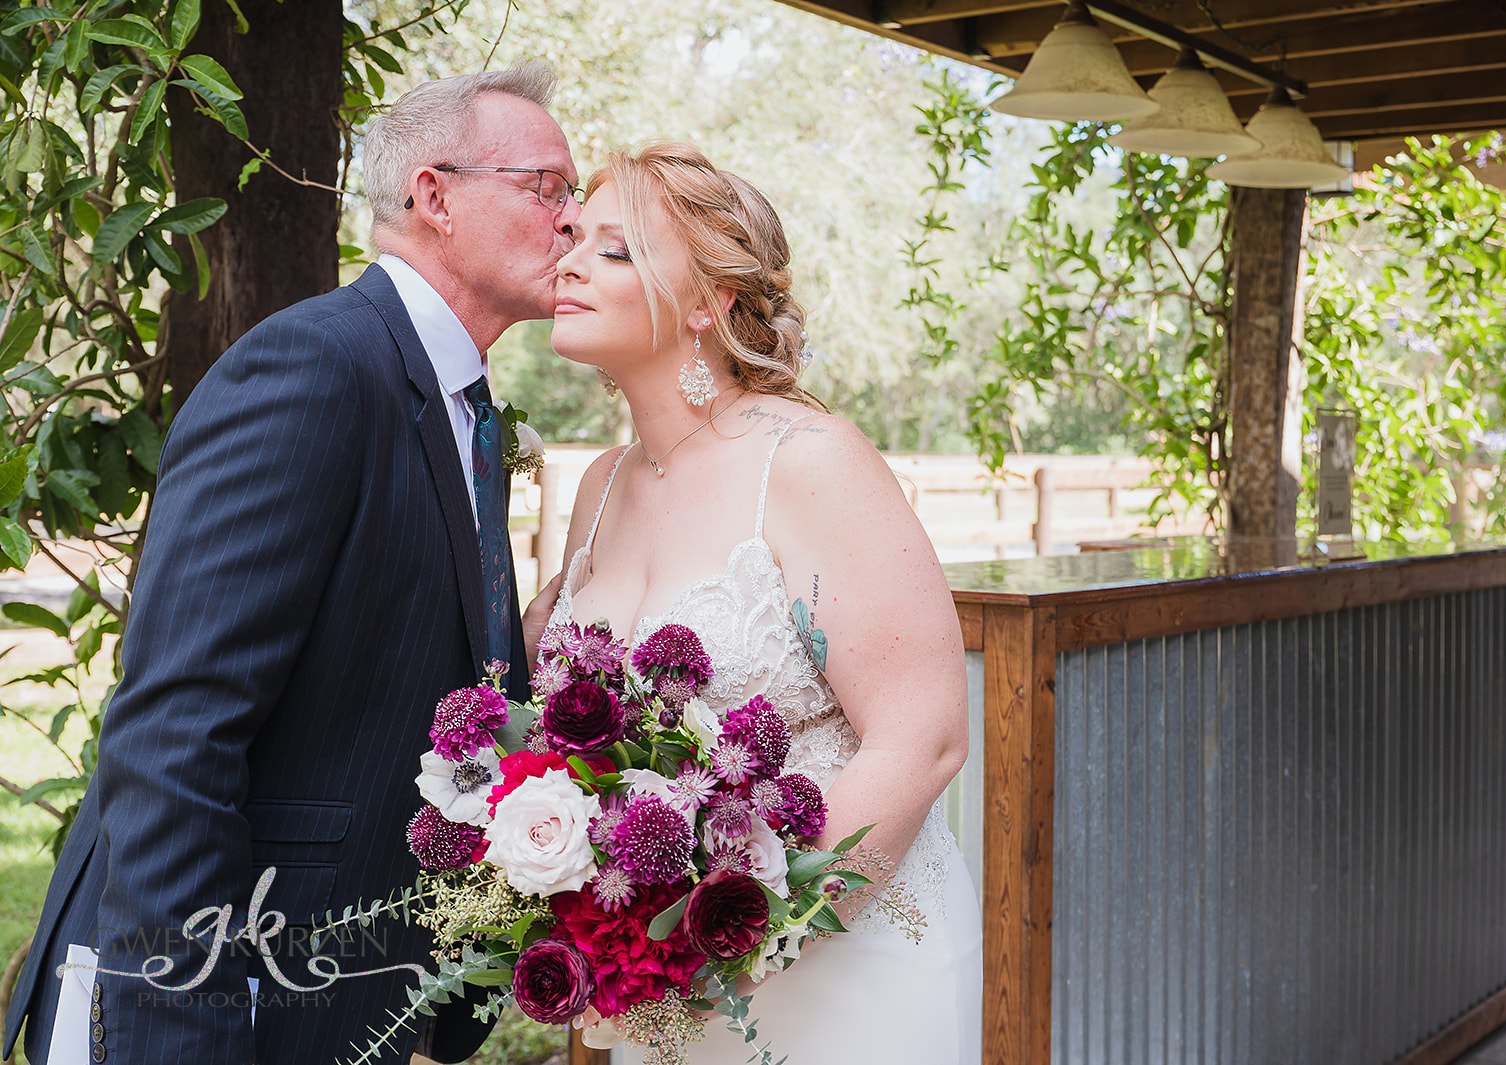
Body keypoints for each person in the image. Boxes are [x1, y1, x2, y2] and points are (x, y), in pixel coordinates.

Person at [2, 65, 574, 1065]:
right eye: (547, 188)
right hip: (207, 1008)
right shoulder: (314, 367)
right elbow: (176, 730)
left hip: (338, 995)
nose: (570, 223)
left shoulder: (461, 410)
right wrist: (188, 1023)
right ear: (433, 195)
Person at [542, 142, 981, 1063]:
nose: (570, 260)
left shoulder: (810, 461)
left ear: (708, 304)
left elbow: (925, 736)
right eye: (573, 236)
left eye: (615, 249)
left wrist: (745, 943)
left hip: (845, 969)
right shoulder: (598, 487)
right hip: (664, 988)